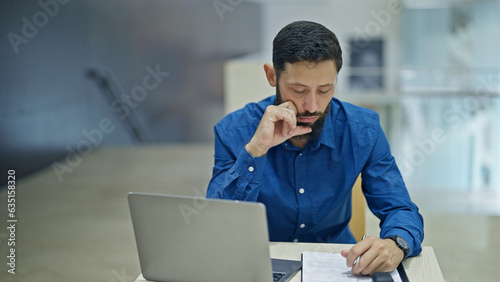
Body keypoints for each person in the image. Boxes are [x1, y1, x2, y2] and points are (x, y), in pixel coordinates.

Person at [206, 20, 424, 275]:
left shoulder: (363, 129)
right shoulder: (234, 131)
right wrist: (256, 150)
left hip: (338, 264)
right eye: (299, 90)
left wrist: (395, 244)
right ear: (272, 76)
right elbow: (218, 224)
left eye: (324, 89)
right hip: (260, 263)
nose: (312, 105)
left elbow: (400, 207)